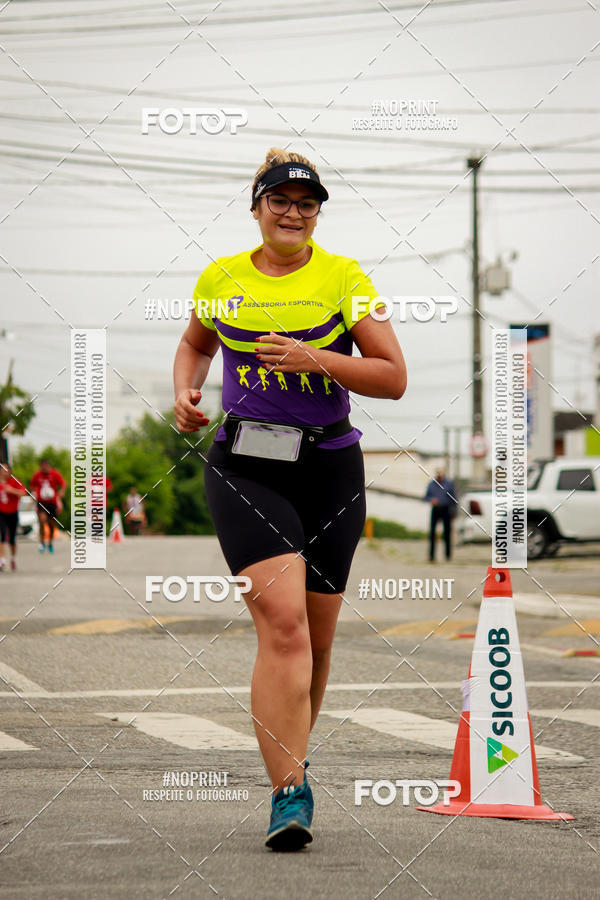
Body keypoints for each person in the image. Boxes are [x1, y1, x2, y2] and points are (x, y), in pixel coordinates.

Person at [173, 148, 407, 851]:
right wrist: (184, 394)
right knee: (282, 625)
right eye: (281, 200)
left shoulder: (344, 278)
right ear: (257, 206)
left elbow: (391, 376)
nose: (294, 212)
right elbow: (195, 344)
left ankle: (293, 757)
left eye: (308, 203)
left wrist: (318, 359)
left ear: (316, 214)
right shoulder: (222, 278)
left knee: (319, 638)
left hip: (330, 470)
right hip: (245, 466)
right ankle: (288, 793)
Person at [30, 458, 66, 553]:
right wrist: (35, 493)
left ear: (48, 466)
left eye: (46, 466)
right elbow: (32, 485)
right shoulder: (37, 475)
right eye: (43, 466)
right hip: (42, 502)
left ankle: (50, 542)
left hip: (52, 502)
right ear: (40, 466)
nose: (44, 468)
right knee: (42, 520)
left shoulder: (54, 474)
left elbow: (63, 484)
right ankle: (42, 542)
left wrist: (61, 493)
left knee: (51, 523)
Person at [424, 466, 458, 562]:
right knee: (432, 534)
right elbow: (426, 497)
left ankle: (447, 555)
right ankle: (431, 556)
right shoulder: (431, 484)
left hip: (446, 510)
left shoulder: (449, 484)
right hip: (435, 510)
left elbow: (454, 499)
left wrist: (454, 512)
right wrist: (431, 500)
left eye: (441, 473)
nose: (439, 475)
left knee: (447, 533)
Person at [0, 464, 27, 571]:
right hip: (1, 512)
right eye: (2, 470)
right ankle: (2, 560)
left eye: (6, 470)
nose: (4, 472)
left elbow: (23, 493)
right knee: (2, 534)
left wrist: (11, 490)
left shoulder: (14, 481)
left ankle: (13, 558)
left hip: (12, 513)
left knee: (12, 539)